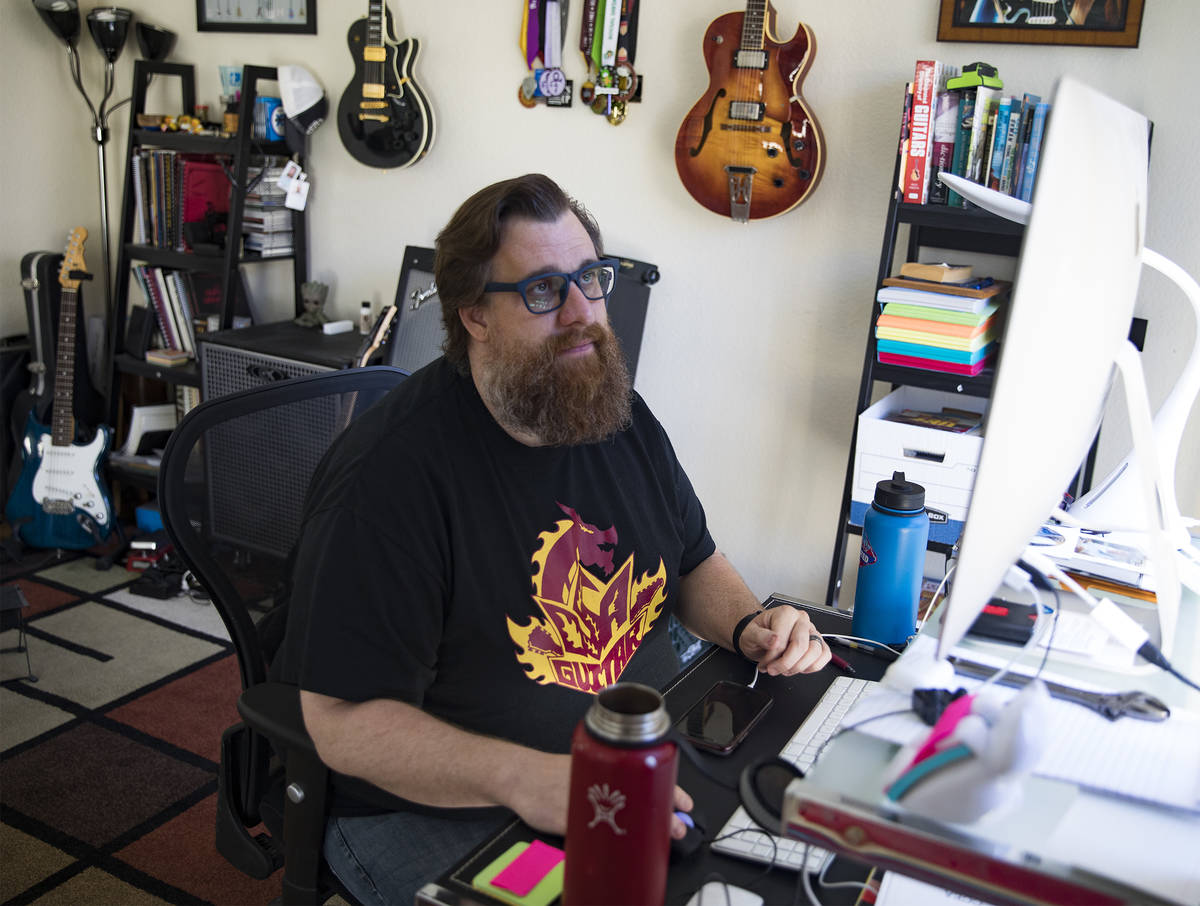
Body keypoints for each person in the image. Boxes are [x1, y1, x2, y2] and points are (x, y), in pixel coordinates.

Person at [274, 173, 832, 904]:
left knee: (790, 860)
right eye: (542, 290)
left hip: (630, 751)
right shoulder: (389, 479)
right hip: (440, 805)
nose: (582, 313)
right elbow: (341, 723)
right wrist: (526, 778)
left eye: (590, 280)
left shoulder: (611, 410)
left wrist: (751, 623)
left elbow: (695, 563)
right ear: (473, 313)